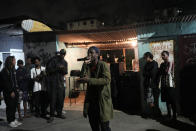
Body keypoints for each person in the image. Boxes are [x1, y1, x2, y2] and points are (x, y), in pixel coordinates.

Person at [77, 46, 113, 131]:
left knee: (104, 127)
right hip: (91, 100)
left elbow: (107, 80)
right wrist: (84, 64)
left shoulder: (103, 65)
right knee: (94, 125)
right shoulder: (88, 65)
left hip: (101, 100)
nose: (89, 54)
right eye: (88, 52)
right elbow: (82, 76)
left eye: (92, 52)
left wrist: (89, 80)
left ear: (97, 54)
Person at [46, 49, 68, 123]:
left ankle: (59, 113)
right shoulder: (54, 60)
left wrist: (62, 69)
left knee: (61, 99)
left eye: (64, 54)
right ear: (59, 53)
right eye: (61, 53)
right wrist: (57, 68)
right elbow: (48, 71)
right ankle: (51, 116)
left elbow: (65, 72)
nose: (62, 55)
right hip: (53, 83)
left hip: (61, 83)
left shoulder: (65, 62)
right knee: (53, 100)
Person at [1, 56, 22, 128]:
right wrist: (11, 91)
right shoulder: (4, 71)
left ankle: (13, 119)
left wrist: (17, 88)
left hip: (15, 91)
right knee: (10, 106)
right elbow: (5, 83)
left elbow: (15, 80)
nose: (15, 61)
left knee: (14, 106)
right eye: (14, 60)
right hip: (8, 92)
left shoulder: (12, 69)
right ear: (11, 61)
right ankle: (10, 121)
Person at [142, 52, 161, 118]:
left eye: (145, 57)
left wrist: (147, 73)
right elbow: (143, 73)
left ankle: (156, 114)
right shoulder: (146, 64)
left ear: (149, 56)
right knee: (149, 99)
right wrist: (148, 73)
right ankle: (155, 113)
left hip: (152, 84)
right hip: (147, 84)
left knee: (151, 100)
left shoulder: (154, 63)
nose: (145, 59)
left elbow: (153, 74)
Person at [159, 51, 177, 120]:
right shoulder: (162, 64)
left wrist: (162, 69)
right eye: (162, 55)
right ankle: (169, 115)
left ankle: (174, 115)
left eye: (164, 55)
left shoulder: (170, 62)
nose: (162, 56)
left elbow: (167, 72)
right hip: (164, 84)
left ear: (167, 55)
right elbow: (161, 73)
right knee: (167, 101)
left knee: (172, 101)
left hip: (170, 84)